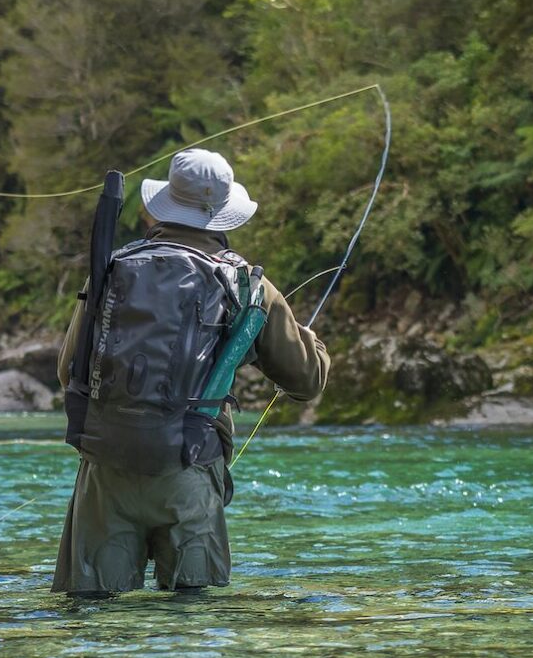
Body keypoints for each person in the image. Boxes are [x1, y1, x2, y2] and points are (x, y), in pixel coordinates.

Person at [51, 148, 328, 594]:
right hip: (189, 471)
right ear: (222, 215)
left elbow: (69, 373)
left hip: (105, 469)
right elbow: (306, 381)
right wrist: (310, 342)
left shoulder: (111, 269)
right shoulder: (248, 285)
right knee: (192, 622)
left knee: (93, 618)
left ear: (162, 204)